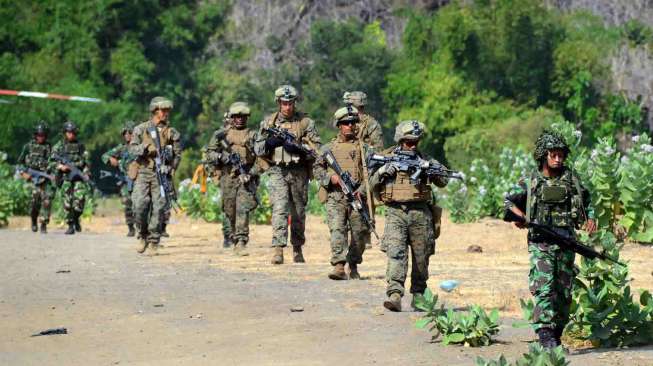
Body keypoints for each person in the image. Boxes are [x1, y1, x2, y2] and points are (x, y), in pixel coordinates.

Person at [504, 130, 596, 348]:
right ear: (543, 156)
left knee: (564, 293)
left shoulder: (572, 180)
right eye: (553, 155)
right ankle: (545, 334)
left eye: (561, 155)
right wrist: (521, 217)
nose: (558, 159)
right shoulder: (531, 181)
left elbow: (587, 202)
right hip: (541, 243)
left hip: (566, 242)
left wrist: (590, 218)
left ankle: (556, 332)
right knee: (544, 288)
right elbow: (508, 202)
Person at [369, 120, 449, 312]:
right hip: (395, 212)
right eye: (408, 142)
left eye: (416, 142)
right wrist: (381, 172)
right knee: (396, 253)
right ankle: (395, 294)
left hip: (420, 213)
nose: (412, 146)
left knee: (421, 257)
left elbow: (444, 179)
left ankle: (419, 296)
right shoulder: (386, 157)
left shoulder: (424, 158)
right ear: (400, 140)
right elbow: (370, 185)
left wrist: (429, 169)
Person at [254, 85, 321, 264]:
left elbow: (317, 150)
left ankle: (297, 248)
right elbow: (257, 148)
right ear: (278, 103)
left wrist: (299, 149)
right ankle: (278, 249)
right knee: (279, 208)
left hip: (299, 170)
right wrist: (270, 143)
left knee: (298, 211)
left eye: (290, 103)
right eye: (284, 103)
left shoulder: (305, 123)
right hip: (277, 170)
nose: (287, 107)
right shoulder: (269, 123)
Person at [313, 106, 370, 280]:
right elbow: (317, 168)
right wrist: (330, 178)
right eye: (346, 123)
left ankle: (353, 264)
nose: (350, 126)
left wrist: (360, 191)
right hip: (336, 197)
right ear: (339, 125)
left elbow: (371, 174)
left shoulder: (364, 148)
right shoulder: (328, 148)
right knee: (337, 230)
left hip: (357, 197)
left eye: (353, 122)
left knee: (359, 233)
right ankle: (338, 265)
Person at [203, 102, 259, 256]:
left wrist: (251, 173)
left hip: (245, 177)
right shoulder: (221, 135)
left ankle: (241, 241)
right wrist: (222, 157)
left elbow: (262, 159)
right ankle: (233, 235)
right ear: (232, 118)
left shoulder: (253, 135)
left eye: (243, 117)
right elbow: (209, 154)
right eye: (236, 117)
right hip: (228, 178)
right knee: (230, 209)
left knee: (243, 208)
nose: (240, 119)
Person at [129, 97, 182, 253]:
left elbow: (178, 154)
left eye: (167, 111)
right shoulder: (141, 129)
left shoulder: (172, 132)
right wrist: (145, 148)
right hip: (143, 171)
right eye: (163, 110)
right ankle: (142, 235)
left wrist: (172, 167)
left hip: (161, 173)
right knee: (140, 205)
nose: (166, 113)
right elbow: (132, 149)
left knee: (159, 208)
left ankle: (153, 241)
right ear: (155, 111)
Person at [343, 91, 384, 249]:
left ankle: (366, 232)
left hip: (366, 166)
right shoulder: (345, 122)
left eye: (358, 108)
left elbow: (378, 148)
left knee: (365, 199)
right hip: (348, 165)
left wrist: (365, 152)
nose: (357, 111)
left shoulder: (371, 124)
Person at [50, 121, 92, 235]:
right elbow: (51, 162)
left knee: (80, 202)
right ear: (65, 133)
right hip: (65, 178)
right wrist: (60, 166)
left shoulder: (80, 146)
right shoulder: (59, 146)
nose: (71, 134)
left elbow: (86, 162)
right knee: (67, 203)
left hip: (78, 176)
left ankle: (76, 218)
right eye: (69, 132)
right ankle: (70, 225)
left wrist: (86, 173)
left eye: (73, 132)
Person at [17, 123, 54, 233]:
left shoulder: (50, 147)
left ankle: (43, 224)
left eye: (42, 135)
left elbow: (55, 162)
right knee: (34, 202)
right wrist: (24, 174)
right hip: (32, 179)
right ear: (35, 135)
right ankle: (33, 220)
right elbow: (20, 163)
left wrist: (53, 173)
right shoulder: (28, 147)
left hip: (45, 179)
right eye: (38, 135)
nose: (40, 137)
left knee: (47, 201)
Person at [101, 122, 136, 237]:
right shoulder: (121, 148)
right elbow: (104, 156)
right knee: (127, 202)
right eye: (124, 133)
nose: (127, 135)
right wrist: (111, 160)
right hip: (126, 180)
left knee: (142, 204)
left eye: (129, 132)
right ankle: (131, 227)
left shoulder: (139, 147)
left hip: (139, 180)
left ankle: (143, 227)